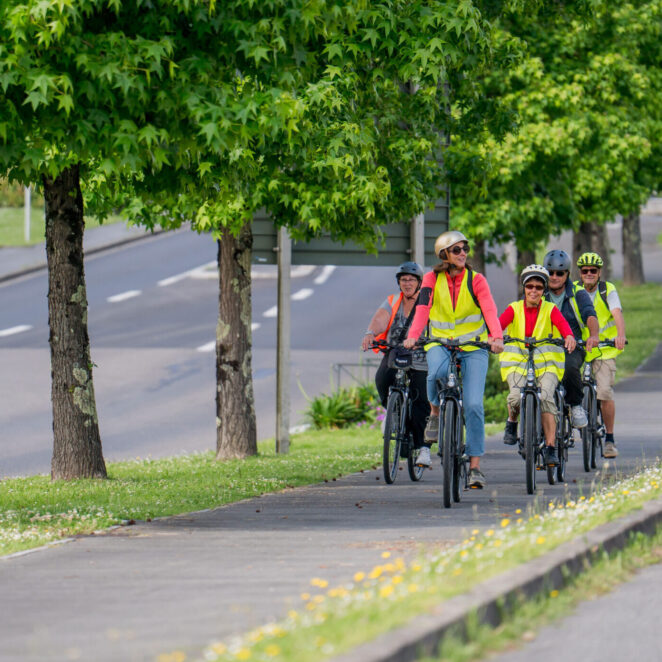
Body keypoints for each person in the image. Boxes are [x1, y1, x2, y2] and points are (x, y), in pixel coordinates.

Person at [402, 230, 504, 488]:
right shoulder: (430, 279)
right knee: (434, 373)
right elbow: (423, 309)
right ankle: (435, 412)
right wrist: (413, 336)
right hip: (440, 341)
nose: (463, 254)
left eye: (465, 249)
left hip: (473, 346)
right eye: (456, 250)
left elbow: (489, 309)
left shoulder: (476, 280)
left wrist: (496, 336)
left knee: (473, 405)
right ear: (444, 255)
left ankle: (475, 467)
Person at [499, 265, 576, 466]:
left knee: (546, 398)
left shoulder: (550, 309)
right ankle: (512, 422)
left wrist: (568, 337)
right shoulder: (514, 308)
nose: (534, 291)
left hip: (546, 364)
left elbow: (564, 326)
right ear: (524, 288)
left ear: (544, 291)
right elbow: (497, 327)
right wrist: (493, 339)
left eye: (539, 287)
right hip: (518, 363)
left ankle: (551, 448)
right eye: (530, 286)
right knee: (515, 397)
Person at [361, 262, 430, 459]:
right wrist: (370, 333)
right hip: (395, 352)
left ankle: (422, 447)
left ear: (419, 283)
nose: (407, 283)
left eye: (411, 280)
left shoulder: (427, 302)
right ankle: (394, 412)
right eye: (403, 280)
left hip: (420, 355)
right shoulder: (393, 300)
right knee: (382, 379)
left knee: (421, 399)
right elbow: (381, 319)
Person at [539, 249, 600, 432]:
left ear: (567, 274)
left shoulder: (578, 294)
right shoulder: (538, 292)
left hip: (572, 347)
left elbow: (590, 315)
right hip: (545, 348)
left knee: (569, 367)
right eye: (550, 273)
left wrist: (593, 335)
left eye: (560, 273)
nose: (555, 277)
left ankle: (575, 405)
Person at [575, 252, 627, 458]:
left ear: (599, 273)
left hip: (604, 348)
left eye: (593, 271)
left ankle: (610, 439)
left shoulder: (608, 290)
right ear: (579, 273)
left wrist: (620, 336)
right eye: (584, 271)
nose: (588, 274)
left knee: (604, 391)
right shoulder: (574, 290)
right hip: (579, 347)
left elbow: (617, 314)